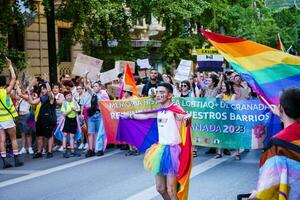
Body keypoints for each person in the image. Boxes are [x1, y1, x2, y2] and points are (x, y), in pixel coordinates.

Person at [120, 82, 192, 200]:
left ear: (169, 95)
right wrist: (129, 115)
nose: (158, 95)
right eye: (157, 92)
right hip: (160, 150)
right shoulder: (160, 110)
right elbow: (145, 116)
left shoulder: (175, 108)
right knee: (160, 188)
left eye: (162, 92)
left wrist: (186, 117)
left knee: (171, 190)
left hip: (173, 151)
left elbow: (181, 116)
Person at [249, 87, 300, 200]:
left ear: (280, 108)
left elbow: (268, 186)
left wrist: (256, 195)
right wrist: (281, 115)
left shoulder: (278, 144)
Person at [0, 57, 23, 168]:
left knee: (2, 141)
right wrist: (9, 65)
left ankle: (4, 162)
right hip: (7, 119)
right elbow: (13, 78)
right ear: (4, 83)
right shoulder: (5, 91)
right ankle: (16, 159)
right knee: (13, 139)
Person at [28, 82, 56, 159]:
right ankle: (39, 152)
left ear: (47, 89)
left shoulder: (51, 97)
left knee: (49, 135)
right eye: (41, 89)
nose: (42, 90)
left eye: (44, 89)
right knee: (39, 136)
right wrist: (29, 93)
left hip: (48, 119)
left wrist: (47, 82)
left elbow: (50, 92)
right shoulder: (41, 98)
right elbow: (32, 102)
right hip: (40, 119)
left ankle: (49, 152)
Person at [84, 72, 109, 157]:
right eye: (93, 86)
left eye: (96, 86)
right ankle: (91, 150)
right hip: (92, 115)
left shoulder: (103, 94)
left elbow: (107, 104)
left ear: (100, 87)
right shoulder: (93, 94)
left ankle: (99, 149)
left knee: (100, 133)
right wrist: (85, 75)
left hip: (100, 115)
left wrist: (99, 78)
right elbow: (86, 86)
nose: (94, 87)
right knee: (90, 132)